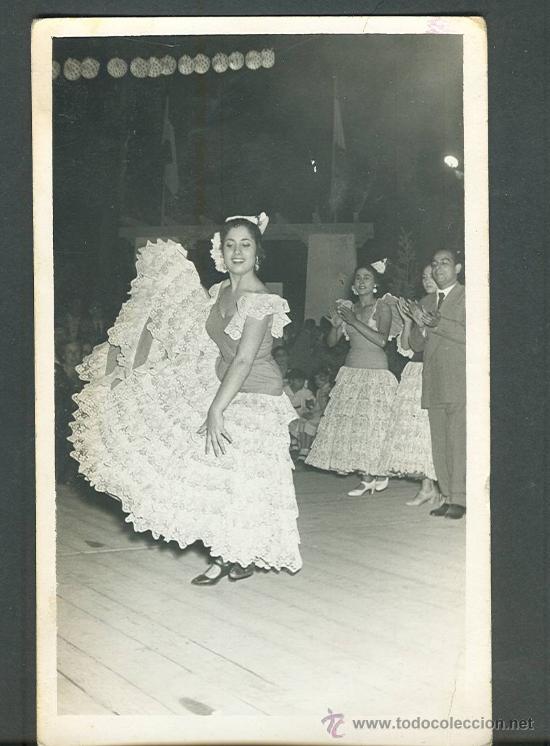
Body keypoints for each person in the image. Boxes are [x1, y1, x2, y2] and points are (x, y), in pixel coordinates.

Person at [69, 212, 302, 583]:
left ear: (258, 251)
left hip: (256, 392)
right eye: (230, 244)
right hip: (224, 385)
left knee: (234, 474)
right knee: (202, 468)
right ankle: (229, 554)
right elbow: (199, 341)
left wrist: (215, 408)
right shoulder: (219, 293)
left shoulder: (262, 300)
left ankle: (233, 556)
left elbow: (243, 359)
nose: (237, 252)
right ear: (220, 252)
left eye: (246, 244)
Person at [305, 262, 400, 496]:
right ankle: (366, 477)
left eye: (367, 277)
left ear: (375, 284)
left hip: (376, 371)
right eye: (358, 278)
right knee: (356, 426)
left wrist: (353, 321)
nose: (361, 281)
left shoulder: (382, 307)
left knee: (374, 425)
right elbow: (331, 343)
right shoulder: (349, 308)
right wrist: (337, 327)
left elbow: (381, 340)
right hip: (351, 371)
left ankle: (379, 471)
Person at [408, 249, 466, 520]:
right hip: (434, 381)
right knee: (439, 444)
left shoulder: (468, 295)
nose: (438, 268)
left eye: (445, 262)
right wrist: (418, 327)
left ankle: (460, 498)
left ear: (458, 268)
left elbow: (474, 333)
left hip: (458, 379)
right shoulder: (426, 300)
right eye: (434, 263)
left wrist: (438, 323)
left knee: (457, 441)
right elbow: (416, 345)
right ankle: (446, 495)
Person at [379, 265, 440, 506]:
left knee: (432, 429)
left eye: (432, 275)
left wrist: (422, 324)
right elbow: (408, 348)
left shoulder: (446, 304)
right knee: (419, 430)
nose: (427, 279)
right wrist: (407, 321)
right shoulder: (422, 304)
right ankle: (427, 486)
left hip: (435, 370)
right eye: (424, 276)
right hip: (415, 371)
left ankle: (439, 486)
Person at [284, 368, 315, 457]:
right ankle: (292, 442)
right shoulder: (284, 390)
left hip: (300, 412)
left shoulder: (305, 392)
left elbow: (311, 404)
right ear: (291, 381)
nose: (301, 383)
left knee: (302, 423)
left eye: (302, 381)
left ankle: (300, 447)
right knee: (285, 423)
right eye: (298, 381)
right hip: (287, 412)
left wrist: (309, 408)